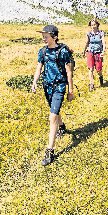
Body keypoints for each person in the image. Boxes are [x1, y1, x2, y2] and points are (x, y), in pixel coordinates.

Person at [32, 25, 74, 166]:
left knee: (52, 116)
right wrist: (34, 82)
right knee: (54, 112)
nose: (44, 38)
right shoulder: (42, 51)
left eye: (46, 36)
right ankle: (61, 127)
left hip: (59, 86)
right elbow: (39, 68)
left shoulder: (62, 52)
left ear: (54, 37)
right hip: (47, 86)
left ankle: (49, 150)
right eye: (43, 36)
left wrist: (70, 91)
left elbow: (69, 72)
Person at [83, 18, 106, 91]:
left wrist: (103, 52)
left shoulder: (100, 33)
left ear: (97, 25)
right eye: (91, 25)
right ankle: (91, 84)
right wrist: (84, 51)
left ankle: (100, 76)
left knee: (98, 69)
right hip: (90, 52)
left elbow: (103, 43)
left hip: (98, 52)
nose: (93, 26)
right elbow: (87, 43)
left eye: (94, 25)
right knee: (91, 68)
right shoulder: (89, 33)